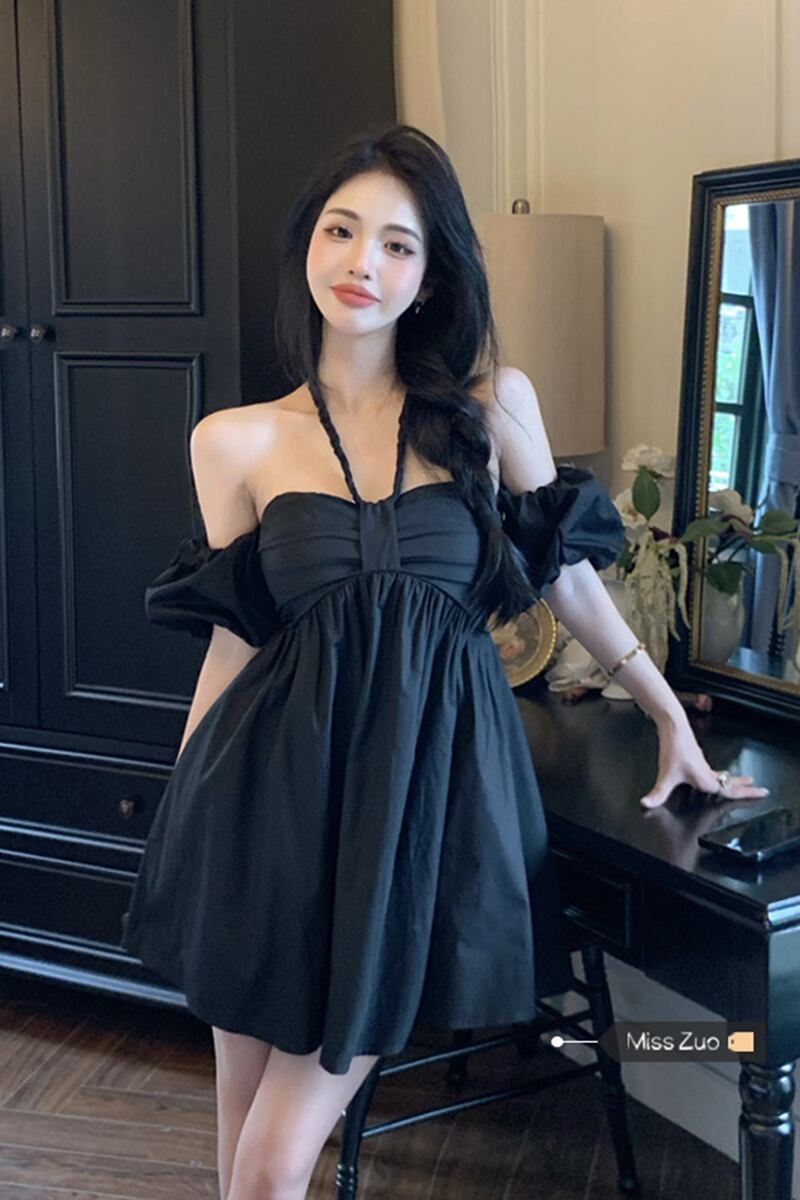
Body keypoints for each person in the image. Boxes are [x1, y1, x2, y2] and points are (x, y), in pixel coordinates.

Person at [120, 124, 768, 1200]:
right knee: (240, 1154)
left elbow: (566, 582)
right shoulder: (233, 441)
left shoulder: (488, 409)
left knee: (271, 1167)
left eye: (396, 244)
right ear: (306, 244)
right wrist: (182, 818)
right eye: (340, 231)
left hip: (417, 810)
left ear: (429, 277)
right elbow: (239, 639)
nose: (361, 263)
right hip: (263, 810)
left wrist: (667, 714)